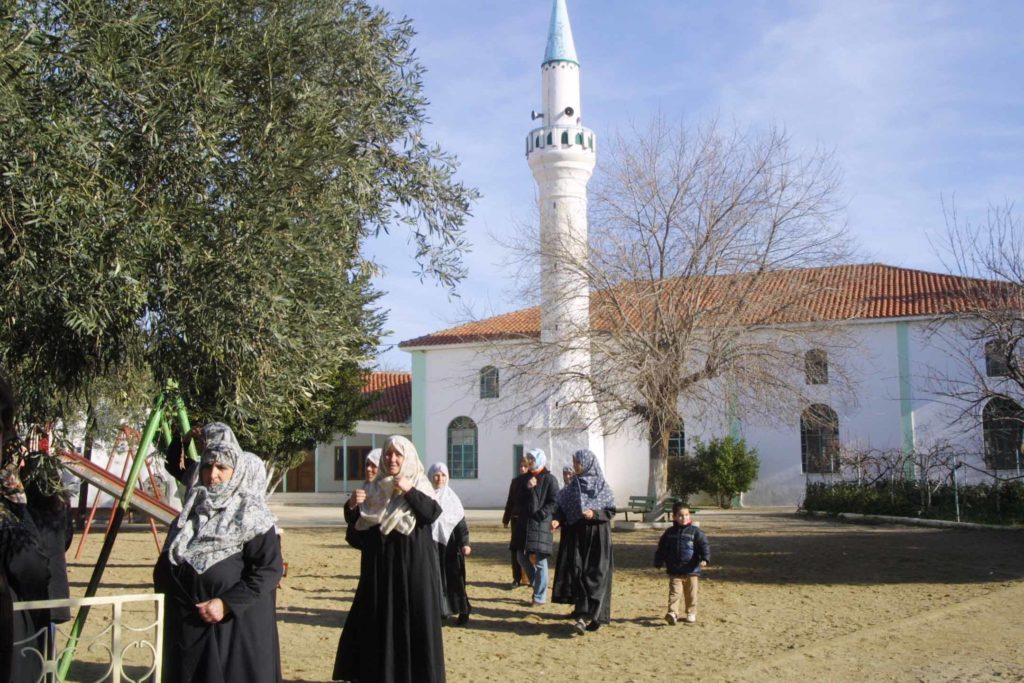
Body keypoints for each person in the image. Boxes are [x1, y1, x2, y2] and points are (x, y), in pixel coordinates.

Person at [154, 422, 283, 683]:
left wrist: (226, 604)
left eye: (222, 468)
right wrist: (182, 435)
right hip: (187, 633)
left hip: (231, 636)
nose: (212, 475)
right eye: (207, 466)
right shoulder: (192, 511)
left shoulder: (252, 519)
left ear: (237, 473)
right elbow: (174, 463)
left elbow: (268, 571)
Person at [332, 435, 446, 683]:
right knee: (379, 625)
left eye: (398, 454)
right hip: (380, 570)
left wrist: (408, 490)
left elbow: (430, 514)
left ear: (408, 458)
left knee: (412, 623)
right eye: (388, 454)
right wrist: (351, 506)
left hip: (413, 569)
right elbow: (357, 532)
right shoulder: (374, 489)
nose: (392, 459)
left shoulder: (419, 484)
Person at [553, 449, 616, 635]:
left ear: (587, 463)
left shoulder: (602, 486)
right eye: (574, 462)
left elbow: (610, 511)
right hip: (577, 535)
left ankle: (595, 615)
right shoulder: (572, 487)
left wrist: (594, 513)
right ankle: (581, 616)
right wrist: (558, 520)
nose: (574, 466)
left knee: (596, 575)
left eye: (577, 462)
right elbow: (562, 508)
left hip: (598, 536)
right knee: (578, 572)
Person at [513, 448, 558, 607]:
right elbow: (517, 499)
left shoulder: (550, 479)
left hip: (540, 524)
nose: (529, 461)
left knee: (540, 561)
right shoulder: (526, 478)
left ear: (539, 460)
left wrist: (542, 514)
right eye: (529, 459)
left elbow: (554, 502)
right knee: (520, 556)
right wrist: (527, 488)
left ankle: (539, 597)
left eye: (532, 459)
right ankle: (537, 584)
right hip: (524, 524)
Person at [428, 462, 471, 625]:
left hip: (451, 546)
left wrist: (464, 543)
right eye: (436, 475)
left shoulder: (452, 499)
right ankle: (440, 610)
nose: (440, 478)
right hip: (431, 546)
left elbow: (461, 523)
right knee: (435, 579)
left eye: (443, 475)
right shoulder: (426, 495)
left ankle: (463, 610)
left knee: (454, 579)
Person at [654, 503, 710, 625]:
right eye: (680, 515)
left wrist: (705, 558)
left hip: (691, 569)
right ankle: (673, 613)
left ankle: (691, 612)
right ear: (673, 517)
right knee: (674, 592)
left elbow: (704, 546)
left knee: (691, 593)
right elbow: (662, 548)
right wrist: (659, 560)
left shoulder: (696, 532)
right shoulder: (669, 533)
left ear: (689, 516)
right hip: (675, 569)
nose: (684, 518)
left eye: (686, 515)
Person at [501, 457, 529, 587]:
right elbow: (510, 501)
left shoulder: (534, 481)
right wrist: (506, 518)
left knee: (529, 550)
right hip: (516, 520)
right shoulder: (515, 482)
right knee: (515, 549)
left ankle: (528, 577)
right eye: (521, 466)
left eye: (525, 466)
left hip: (529, 520)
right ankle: (516, 578)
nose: (522, 468)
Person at [551, 465, 576, 606]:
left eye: (569, 474)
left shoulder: (579, 491)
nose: (567, 477)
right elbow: (559, 510)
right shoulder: (562, 493)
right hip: (566, 532)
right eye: (565, 474)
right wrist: (557, 521)